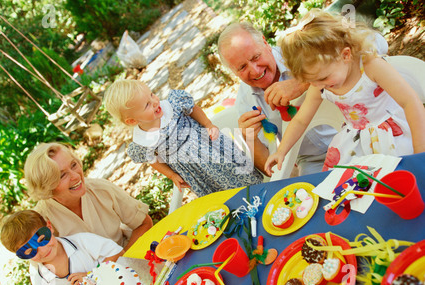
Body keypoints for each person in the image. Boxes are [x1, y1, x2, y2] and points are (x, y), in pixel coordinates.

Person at [217, 20, 388, 177]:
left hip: (355, 135)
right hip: (311, 162)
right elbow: (273, 169)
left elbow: (377, 43)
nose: (255, 70)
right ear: (233, 71)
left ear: (265, 42)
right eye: (242, 67)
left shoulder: (300, 49)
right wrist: (250, 139)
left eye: (255, 57)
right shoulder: (246, 103)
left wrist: (306, 80)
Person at [264, 10, 425, 176]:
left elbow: (410, 102)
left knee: (406, 178)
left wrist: (420, 152)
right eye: (311, 81)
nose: (318, 86)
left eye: (323, 77)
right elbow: (300, 121)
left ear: (345, 55)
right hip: (356, 144)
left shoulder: (370, 67)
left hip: (395, 136)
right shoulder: (319, 85)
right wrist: (281, 150)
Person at [103, 79, 263, 198]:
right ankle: (238, 212)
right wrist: (172, 175)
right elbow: (154, 160)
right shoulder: (142, 142)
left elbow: (193, 109)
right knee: (218, 195)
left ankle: (260, 192)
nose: (154, 102)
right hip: (193, 170)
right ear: (132, 121)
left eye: (152, 94)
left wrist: (208, 124)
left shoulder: (172, 105)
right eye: (146, 105)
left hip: (210, 148)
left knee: (236, 173)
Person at [24, 142, 152, 251]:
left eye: (74, 165)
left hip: (127, 255)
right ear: (46, 187)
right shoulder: (40, 220)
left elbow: (144, 223)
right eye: (62, 175)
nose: (76, 176)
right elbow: (47, 269)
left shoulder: (102, 190)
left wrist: (122, 261)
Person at [0, 210, 125, 285]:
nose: (42, 251)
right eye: (29, 251)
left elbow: (118, 253)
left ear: (49, 227)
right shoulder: (41, 280)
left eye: (41, 239)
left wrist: (93, 276)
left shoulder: (82, 242)